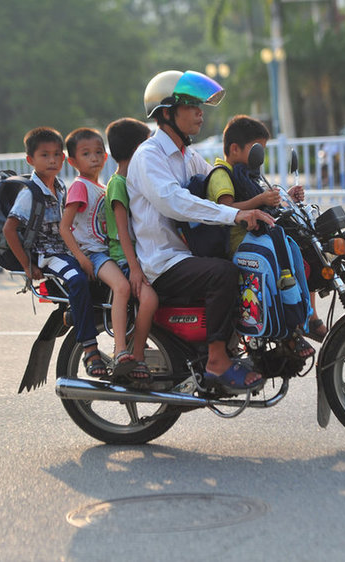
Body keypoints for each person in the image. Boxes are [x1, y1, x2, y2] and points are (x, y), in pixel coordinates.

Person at [126, 70, 274, 395]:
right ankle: (217, 360)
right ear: (166, 112)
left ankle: (243, 344)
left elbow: (219, 181)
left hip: (187, 253)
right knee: (223, 273)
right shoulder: (150, 156)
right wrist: (235, 214)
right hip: (163, 261)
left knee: (251, 263)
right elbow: (176, 203)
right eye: (191, 106)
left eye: (199, 106)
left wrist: (274, 198)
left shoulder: (188, 155)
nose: (200, 113)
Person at [207, 114, 326, 348]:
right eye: (256, 150)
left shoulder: (248, 176)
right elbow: (225, 209)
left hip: (258, 237)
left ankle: (307, 317)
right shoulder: (222, 175)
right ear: (234, 148)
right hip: (241, 244)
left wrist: (286, 198)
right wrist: (261, 199)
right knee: (285, 261)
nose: (259, 158)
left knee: (305, 250)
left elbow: (261, 203)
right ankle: (288, 327)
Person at [3, 127, 102, 376]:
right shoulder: (30, 194)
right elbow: (9, 229)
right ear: (30, 160)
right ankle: (90, 349)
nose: (52, 161)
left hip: (66, 249)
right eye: (45, 155)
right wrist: (27, 265)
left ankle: (74, 315)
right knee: (78, 279)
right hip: (48, 254)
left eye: (57, 155)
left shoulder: (59, 186)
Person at [59, 127, 143, 381]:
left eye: (98, 152)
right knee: (122, 287)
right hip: (93, 255)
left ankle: (132, 344)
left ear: (106, 157)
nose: (94, 158)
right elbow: (64, 227)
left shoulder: (102, 187)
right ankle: (120, 349)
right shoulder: (80, 187)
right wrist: (82, 258)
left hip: (103, 252)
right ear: (72, 161)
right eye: (86, 154)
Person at [103, 118, 159, 381]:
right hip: (126, 257)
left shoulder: (133, 180)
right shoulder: (118, 183)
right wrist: (134, 268)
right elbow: (122, 231)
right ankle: (132, 354)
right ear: (138, 149)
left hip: (140, 254)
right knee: (149, 298)